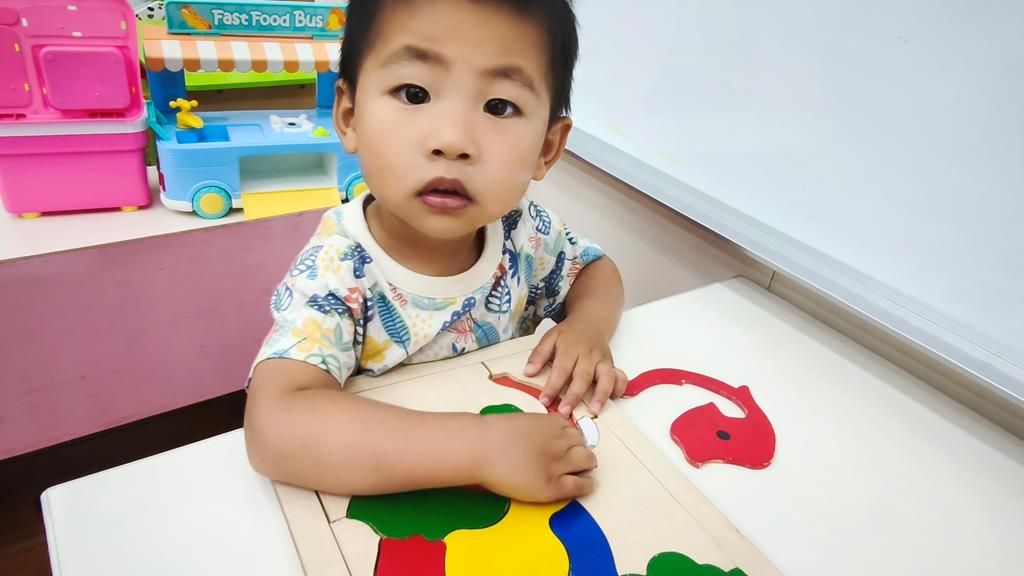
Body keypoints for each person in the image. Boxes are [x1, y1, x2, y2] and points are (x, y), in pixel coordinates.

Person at [244, 0, 627, 503]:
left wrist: (588, 327)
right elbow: (276, 427)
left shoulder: (523, 231)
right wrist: (481, 448)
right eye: (415, 93)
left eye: (499, 106)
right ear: (350, 116)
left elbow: (594, 270)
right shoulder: (337, 270)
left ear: (547, 148)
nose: (453, 141)